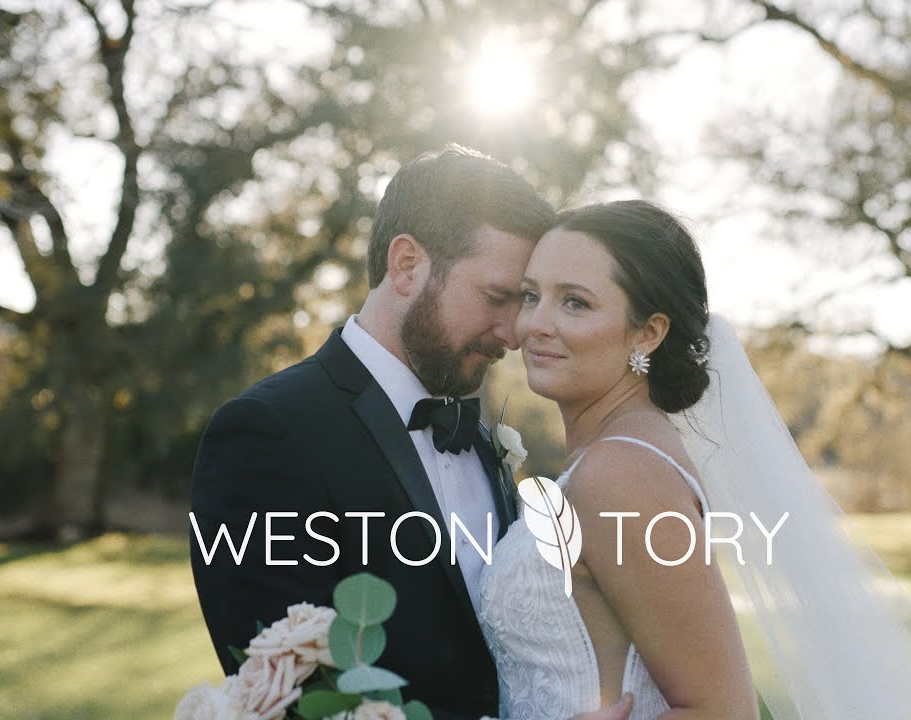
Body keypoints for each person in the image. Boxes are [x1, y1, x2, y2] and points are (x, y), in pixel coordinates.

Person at [477, 200, 911, 719]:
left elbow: (724, 712)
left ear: (649, 333)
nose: (535, 324)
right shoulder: (613, 458)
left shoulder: (621, 475)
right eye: (531, 295)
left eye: (575, 303)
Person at [189, 145, 631, 720]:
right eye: (498, 298)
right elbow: (292, 701)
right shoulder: (267, 432)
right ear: (406, 265)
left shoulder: (482, 436)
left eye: (521, 302)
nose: (516, 331)